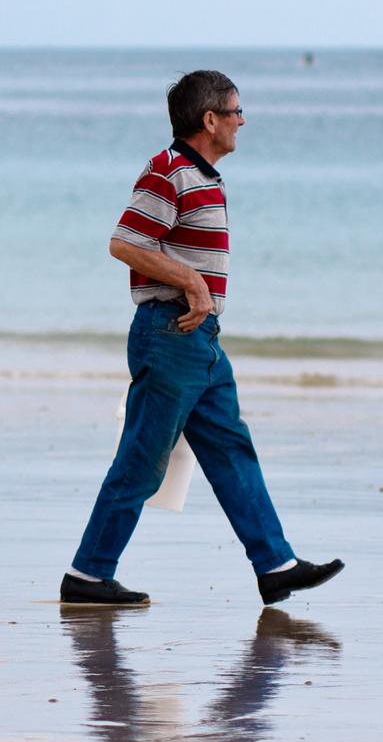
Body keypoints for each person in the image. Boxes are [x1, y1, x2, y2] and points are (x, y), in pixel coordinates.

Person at [62, 70, 344, 607]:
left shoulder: (205, 177)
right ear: (209, 119)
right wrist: (191, 281)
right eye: (236, 111)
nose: (243, 121)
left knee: (233, 450)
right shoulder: (168, 172)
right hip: (169, 336)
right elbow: (124, 242)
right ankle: (88, 576)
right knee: (143, 461)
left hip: (201, 343)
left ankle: (276, 565)